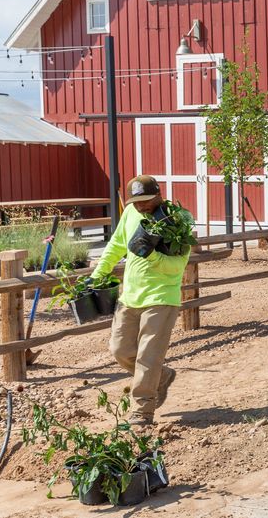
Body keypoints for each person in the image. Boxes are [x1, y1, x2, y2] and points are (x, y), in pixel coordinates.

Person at [92, 176, 191, 426]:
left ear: (158, 195)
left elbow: (178, 265)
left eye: (145, 201)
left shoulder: (177, 220)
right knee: (120, 349)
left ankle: (142, 411)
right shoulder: (130, 213)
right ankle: (162, 377)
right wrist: (98, 274)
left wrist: (153, 256)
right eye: (136, 202)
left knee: (148, 357)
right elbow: (116, 244)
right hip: (130, 296)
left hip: (161, 297)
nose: (141, 206)